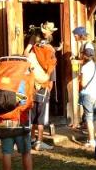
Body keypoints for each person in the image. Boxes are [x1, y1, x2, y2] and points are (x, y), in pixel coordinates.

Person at [23, 21, 60, 151]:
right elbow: (51, 72)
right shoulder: (49, 51)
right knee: (41, 117)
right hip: (44, 86)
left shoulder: (33, 48)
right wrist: (50, 87)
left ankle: (31, 139)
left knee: (32, 114)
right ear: (49, 33)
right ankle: (39, 142)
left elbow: (25, 53)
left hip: (32, 84)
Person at [78, 47, 96, 148]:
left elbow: (83, 83)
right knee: (95, 117)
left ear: (85, 55)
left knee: (88, 117)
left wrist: (80, 79)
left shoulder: (84, 67)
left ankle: (91, 140)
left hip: (88, 94)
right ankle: (93, 137)